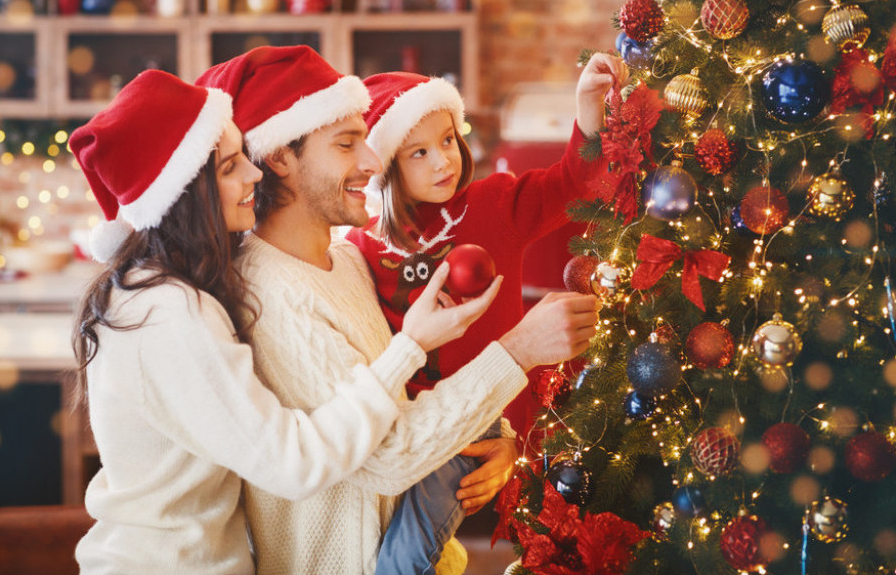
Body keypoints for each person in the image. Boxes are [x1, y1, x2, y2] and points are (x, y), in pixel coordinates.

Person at [67, 69, 506, 575]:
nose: (253, 173)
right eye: (230, 165)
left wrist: (492, 433)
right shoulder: (168, 313)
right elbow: (293, 461)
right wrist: (417, 347)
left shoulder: (181, 291)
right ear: (184, 192)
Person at [195, 45, 601, 574]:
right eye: (347, 144)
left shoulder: (345, 262)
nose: (372, 161)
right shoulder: (277, 292)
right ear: (279, 158)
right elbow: (390, 457)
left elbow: (401, 408)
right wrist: (518, 350)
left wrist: (496, 439)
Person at [342, 54, 627, 574]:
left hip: (478, 421)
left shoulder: (495, 203)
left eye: (448, 141)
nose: (442, 162)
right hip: (408, 429)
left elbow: (571, 182)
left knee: (408, 552)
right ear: (385, 167)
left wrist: (588, 109)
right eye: (419, 152)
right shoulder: (363, 245)